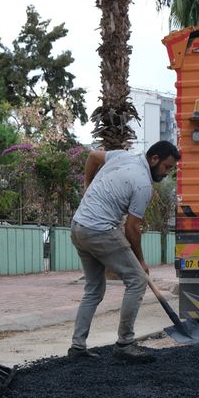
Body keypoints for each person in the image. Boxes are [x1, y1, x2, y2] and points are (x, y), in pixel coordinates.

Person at [67, 141, 180, 363]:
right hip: (100, 231)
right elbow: (132, 228)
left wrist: (87, 187)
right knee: (137, 280)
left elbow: (92, 156)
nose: (167, 173)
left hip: (78, 226)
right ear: (154, 159)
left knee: (93, 289)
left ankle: (77, 347)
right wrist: (141, 261)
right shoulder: (143, 185)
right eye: (167, 167)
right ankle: (125, 344)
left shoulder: (123, 156)